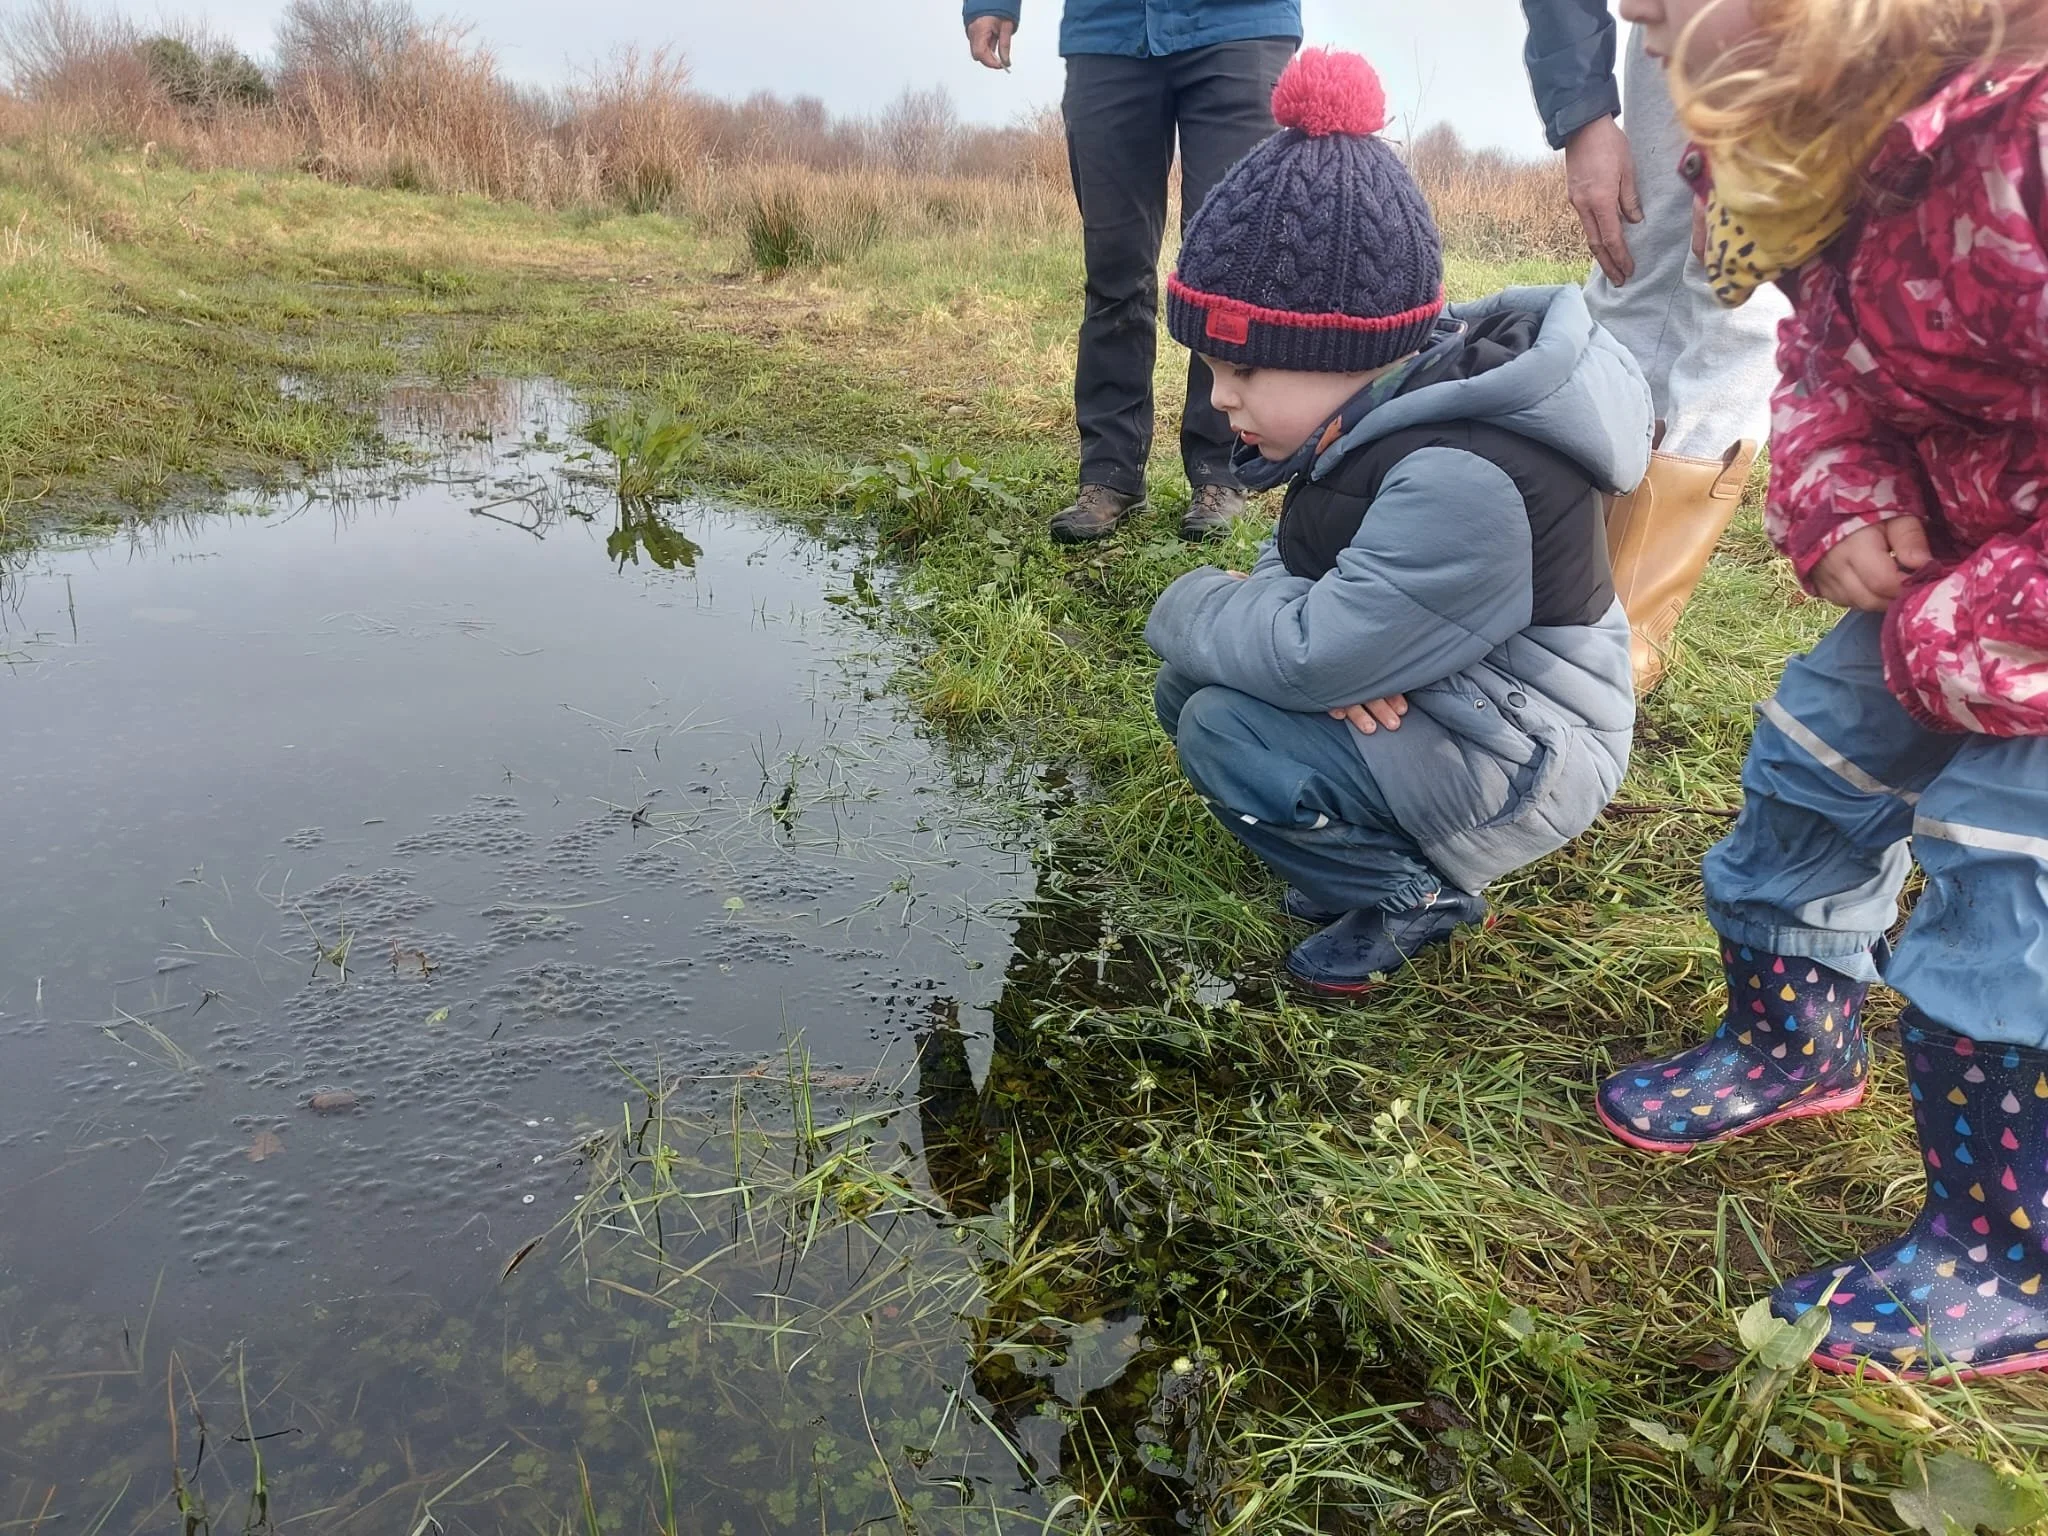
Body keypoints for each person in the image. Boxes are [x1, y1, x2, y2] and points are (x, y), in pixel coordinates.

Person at [1592, 0, 2048, 1380]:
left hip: (2020, 585)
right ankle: (1794, 1043)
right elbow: (1820, 360)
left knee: (2004, 869)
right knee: (1810, 760)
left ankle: (2003, 1248)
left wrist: (1999, 608)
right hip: (1940, 553)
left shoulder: (2022, 143)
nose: (1632, 12)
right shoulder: (1805, 156)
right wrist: (1838, 494)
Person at [1143, 48, 1651, 995]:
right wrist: (1332, 647)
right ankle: (1356, 827)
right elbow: (1305, 565)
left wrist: (1203, 606)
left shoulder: (1460, 468)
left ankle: (1412, 890)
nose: (1221, 403)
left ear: (1342, 351)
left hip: (1527, 756)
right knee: (1193, 689)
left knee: (1222, 721)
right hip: (1466, 704)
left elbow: (1312, 652)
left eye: (1241, 372)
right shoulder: (1376, 413)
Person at [1521, 0, 1791, 692]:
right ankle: (1551, 604)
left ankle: (1623, 641)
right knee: (1627, 268)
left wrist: (1751, 125)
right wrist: (1582, 113)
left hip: (1820, 26)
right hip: (1680, 23)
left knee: (1738, 292)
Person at [963, 0, 1299, 544]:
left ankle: (1223, 468)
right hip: (1109, 33)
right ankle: (1109, 473)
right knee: (1115, 269)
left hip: (1239, 27)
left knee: (1229, 272)